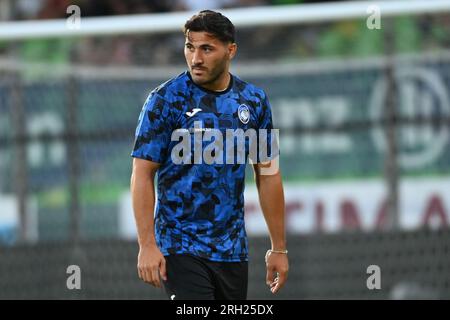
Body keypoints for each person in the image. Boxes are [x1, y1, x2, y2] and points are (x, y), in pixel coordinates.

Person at [130, 10, 288, 300]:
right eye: (190, 47)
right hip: (180, 246)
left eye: (206, 48)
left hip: (232, 250)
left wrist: (278, 247)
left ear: (231, 51)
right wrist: (147, 244)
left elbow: (268, 173)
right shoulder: (165, 100)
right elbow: (142, 172)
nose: (196, 58)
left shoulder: (254, 101)